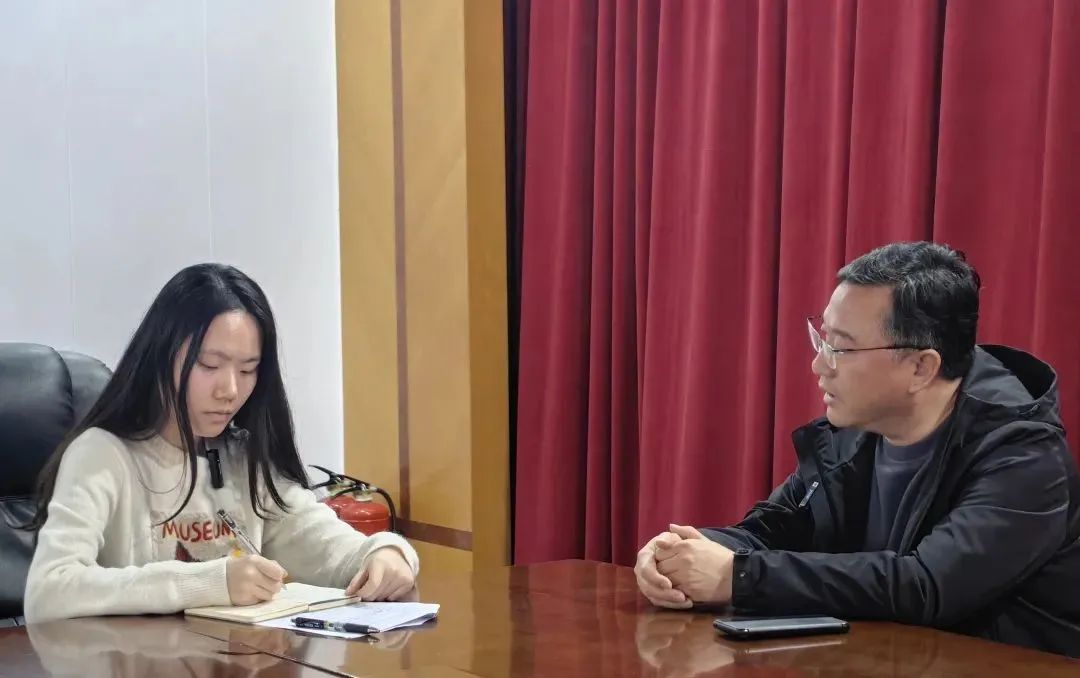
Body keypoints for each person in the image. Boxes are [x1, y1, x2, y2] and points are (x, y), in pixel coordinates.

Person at [635, 242, 1080, 656]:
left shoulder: (1023, 454)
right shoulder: (857, 428)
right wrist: (685, 551)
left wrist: (737, 577)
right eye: (822, 339)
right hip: (880, 659)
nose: (819, 365)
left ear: (921, 367)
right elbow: (773, 529)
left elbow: (927, 585)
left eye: (841, 349)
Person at [23, 263, 418, 623]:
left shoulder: (242, 456)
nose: (229, 390)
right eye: (209, 365)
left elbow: (315, 537)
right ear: (161, 357)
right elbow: (50, 590)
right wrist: (211, 582)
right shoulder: (102, 455)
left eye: (248, 370)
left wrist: (384, 553)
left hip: (233, 660)